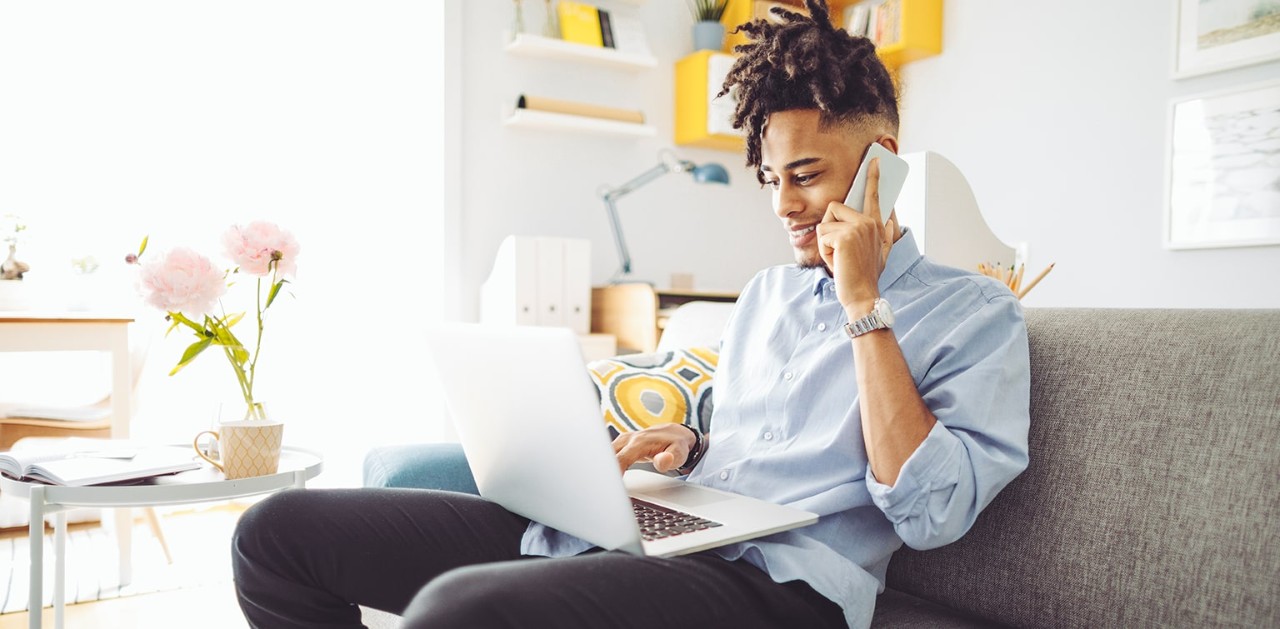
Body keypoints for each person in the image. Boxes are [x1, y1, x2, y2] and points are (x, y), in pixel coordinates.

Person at [230, 2, 1030, 627]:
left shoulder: (975, 312)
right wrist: (688, 447)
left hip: (785, 590)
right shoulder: (764, 296)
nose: (783, 205)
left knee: (457, 612)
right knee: (275, 534)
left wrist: (864, 303)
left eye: (807, 175)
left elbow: (932, 511)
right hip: (663, 535)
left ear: (882, 158)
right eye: (770, 178)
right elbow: (751, 444)